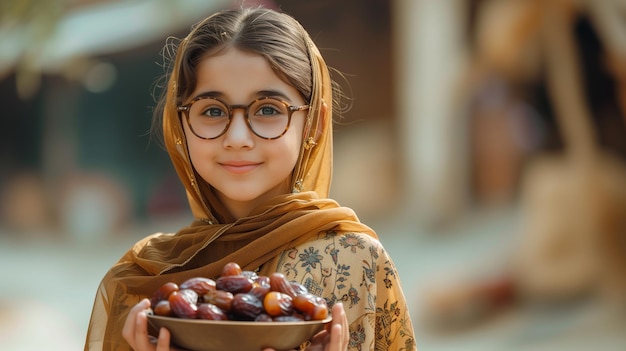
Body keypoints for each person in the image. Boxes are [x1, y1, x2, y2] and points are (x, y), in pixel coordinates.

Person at [85, 6, 416, 351]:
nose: (238, 137)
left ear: (314, 123)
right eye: (213, 111)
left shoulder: (351, 260)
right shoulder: (144, 279)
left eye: (268, 109)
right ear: (180, 124)